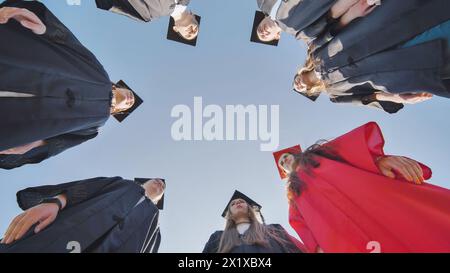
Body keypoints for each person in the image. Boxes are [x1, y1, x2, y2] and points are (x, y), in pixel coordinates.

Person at [0, 1, 143, 169]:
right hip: (22, 68)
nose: (129, 99)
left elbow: (61, 141)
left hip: (20, 119)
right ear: (119, 86)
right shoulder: (99, 73)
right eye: (130, 95)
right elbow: (69, 44)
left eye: (128, 104)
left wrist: (35, 144)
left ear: (119, 111)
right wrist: (44, 29)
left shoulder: (95, 126)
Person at [273, 122, 450, 253]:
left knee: (425, 230)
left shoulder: (317, 155)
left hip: (376, 200)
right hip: (344, 235)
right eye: (282, 163)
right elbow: (300, 224)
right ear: (284, 171)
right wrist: (318, 248)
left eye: (286, 156)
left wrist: (379, 160)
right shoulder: (294, 195)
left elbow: (348, 149)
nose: (284, 160)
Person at [0, 176, 165, 253]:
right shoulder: (123, 185)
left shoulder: (153, 225)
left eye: (163, 186)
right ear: (142, 182)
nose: (160, 182)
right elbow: (87, 189)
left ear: (158, 200)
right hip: (59, 233)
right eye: (156, 179)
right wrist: (55, 202)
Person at [202, 190, 305, 253]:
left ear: (250, 208)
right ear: (229, 214)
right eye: (233, 204)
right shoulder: (217, 238)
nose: (237, 202)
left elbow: (296, 249)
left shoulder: (274, 229)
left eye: (241, 201)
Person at [254, 0, 379, 43]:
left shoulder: (262, 3)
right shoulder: (299, 33)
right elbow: (330, 17)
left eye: (259, 31)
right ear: (277, 36)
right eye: (265, 37)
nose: (263, 33)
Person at [95, 0, 199, 41]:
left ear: (175, 29)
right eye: (196, 30)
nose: (192, 32)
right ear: (193, 15)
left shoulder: (148, 15)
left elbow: (111, 5)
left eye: (188, 35)